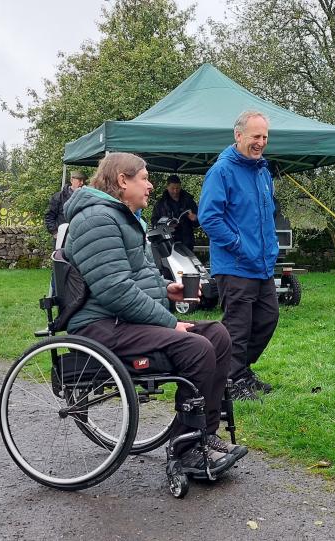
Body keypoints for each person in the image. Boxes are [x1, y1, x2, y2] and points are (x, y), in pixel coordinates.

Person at [63, 152, 247, 471]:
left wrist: (166, 289)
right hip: (102, 325)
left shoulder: (125, 219)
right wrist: (169, 322)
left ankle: (204, 433)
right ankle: (186, 449)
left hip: (125, 319)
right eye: (145, 178)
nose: (151, 186)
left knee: (217, 334)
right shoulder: (97, 219)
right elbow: (115, 289)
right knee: (196, 346)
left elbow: (133, 277)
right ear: (123, 180)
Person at [198, 110, 279, 400]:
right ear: (239, 135)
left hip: (261, 264)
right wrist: (238, 245)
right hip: (235, 265)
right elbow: (208, 217)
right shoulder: (222, 171)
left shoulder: (262, 171)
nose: (260, 142)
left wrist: (270, 250)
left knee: (267, 319)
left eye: (265, 137)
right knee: (239, 326)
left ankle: (241, 371)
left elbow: (266, 216)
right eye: (255, 136)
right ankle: (230, 382)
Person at [152, 175, 199, 250]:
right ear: (167, 187)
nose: (175, 191)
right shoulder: (160, 204)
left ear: (180, 187)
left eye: (177, 188)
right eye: (172, 188)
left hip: (187, 242)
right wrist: (167, 226)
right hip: (168, 243)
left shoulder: (189, 201)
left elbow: (199, 222)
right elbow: (154, 223)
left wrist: (195, 218)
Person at [45, 170, 87, 236]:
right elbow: (49, 216)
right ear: (72, 180)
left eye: (83, 181)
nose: (82, 183)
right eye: (79, 180)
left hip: (79, 236)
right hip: (62, 236)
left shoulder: (86, 198)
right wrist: (54, 232)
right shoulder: (58, 197)